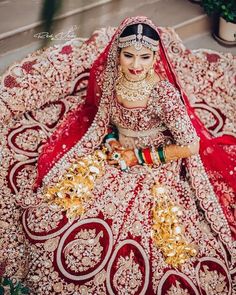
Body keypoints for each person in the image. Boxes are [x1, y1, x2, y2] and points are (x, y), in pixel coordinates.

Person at [20, 16, 235, 294]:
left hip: (155, 161)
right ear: (117, 54)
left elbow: (191, 146)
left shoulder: (163, 94)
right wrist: (110, 141)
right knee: (64, 205)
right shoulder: (113, 79)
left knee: (152, 231)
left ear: (155, 56)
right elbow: (105, 121)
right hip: (118, 153)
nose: (136, 65)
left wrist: (140, 157)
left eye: (145, 57)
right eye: (129, 55)